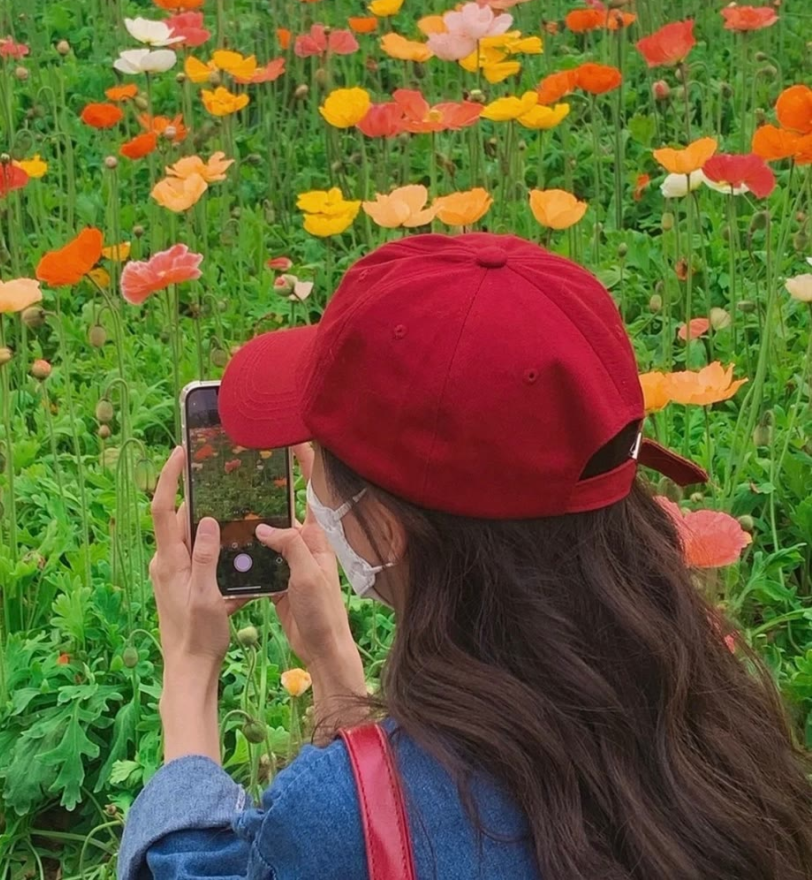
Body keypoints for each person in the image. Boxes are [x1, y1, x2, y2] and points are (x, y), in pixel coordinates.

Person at [118, 233, 812, 880]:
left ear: (383, 532)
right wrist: (334, 670)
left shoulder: (325, 816)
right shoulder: (713, 720)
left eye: (317, 459)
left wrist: (189, 668)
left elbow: (358, 839)